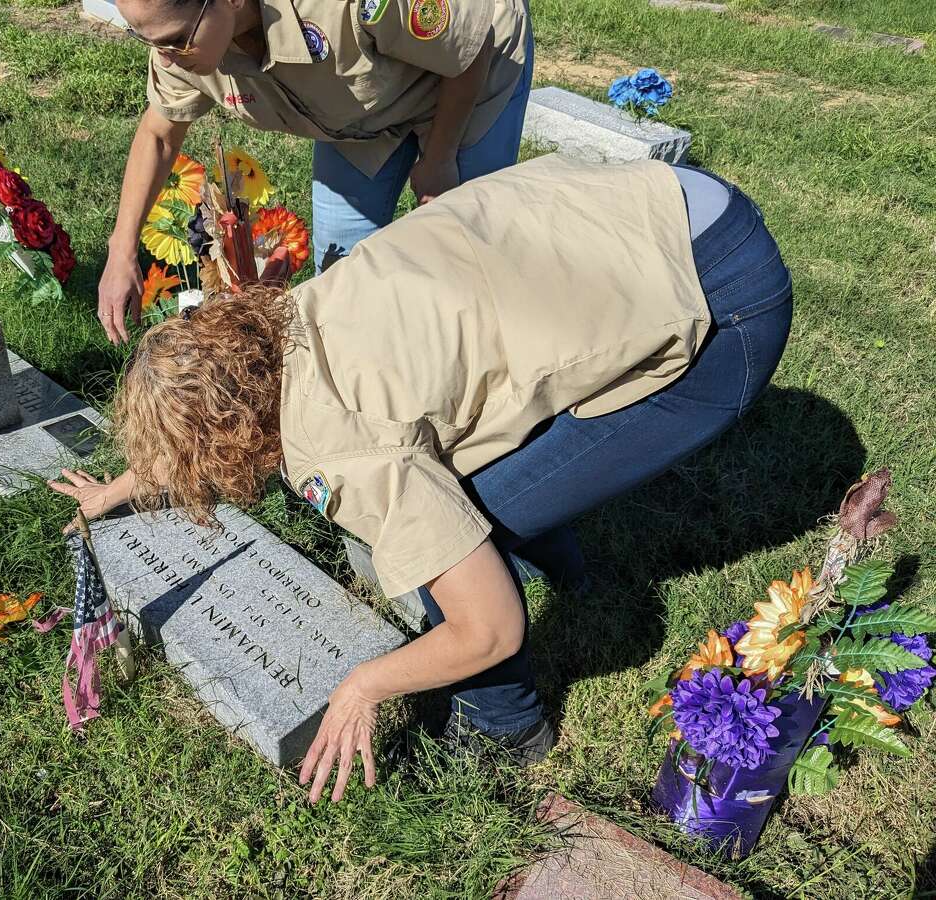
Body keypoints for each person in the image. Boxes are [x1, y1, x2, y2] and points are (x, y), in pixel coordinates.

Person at [51, 154, 793, 804]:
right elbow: (215, 400)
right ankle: (571, 571)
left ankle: (506, 727)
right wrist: (117, 490)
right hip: (664, 205)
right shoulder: (290, 317)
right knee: (470, 491)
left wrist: (363, 685)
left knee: (462, 529)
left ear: (234, 441)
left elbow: (489, 627)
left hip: (724, 308)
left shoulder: (342, 450)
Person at [96, 0, 532, 343]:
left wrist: (438, 158)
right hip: (357, 114)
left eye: (176, 40)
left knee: (466, 267)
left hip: (468, 75)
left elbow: (468, 49)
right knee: (341, 281)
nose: (166, 59)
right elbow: (159, 136)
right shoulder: (180, 47)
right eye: (146, 39)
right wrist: (121, 249)